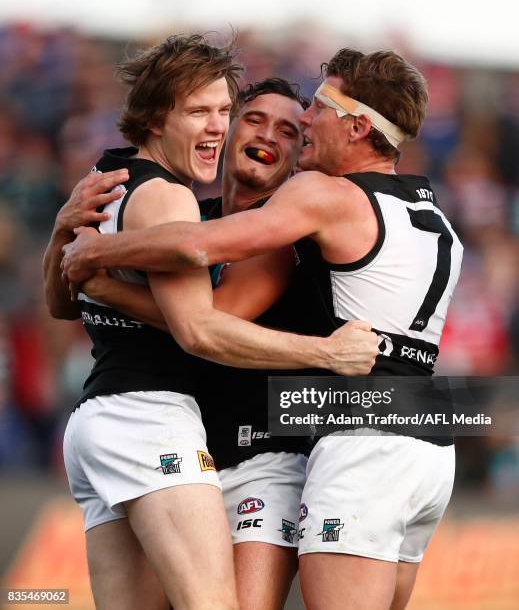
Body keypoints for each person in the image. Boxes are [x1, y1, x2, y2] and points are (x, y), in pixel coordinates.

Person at [62, 48, 464, 610]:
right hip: (418, 428)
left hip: (323, 442)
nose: (301, 122)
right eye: (251, 117)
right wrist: (71, 238)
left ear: (355, 125)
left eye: (313, 110)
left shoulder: (312, 201)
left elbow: (204, 301)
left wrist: (94, 258)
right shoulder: (424, 206)